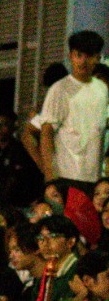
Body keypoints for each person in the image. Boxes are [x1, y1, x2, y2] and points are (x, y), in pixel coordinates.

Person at [40, 31, 108, 192]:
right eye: (79, 55)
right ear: (70, 56)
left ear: (98, 58)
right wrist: (50, 177)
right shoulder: (59, 89)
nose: (83, 61)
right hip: (67, 176)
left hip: (95, 179)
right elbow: (46, 133)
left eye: (89, 56)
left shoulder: (102, 89)